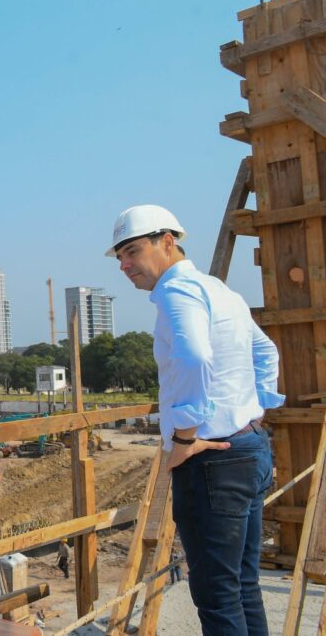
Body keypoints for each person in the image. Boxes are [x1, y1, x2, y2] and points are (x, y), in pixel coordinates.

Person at [109, 205, 282, 636]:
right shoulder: (220, 291)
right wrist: (254, 409)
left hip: (212, 463)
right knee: (242, 585)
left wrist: (185, 437)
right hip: (248, 447)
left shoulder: (176, 292)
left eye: (133, 251)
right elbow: (266, 352)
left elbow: (193, 356)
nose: (125, 265)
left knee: (217, 595)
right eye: (120, 257)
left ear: (167, 242)